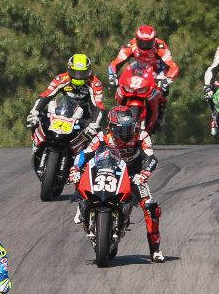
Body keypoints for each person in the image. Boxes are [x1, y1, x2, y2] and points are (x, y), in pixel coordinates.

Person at [68, 106, 165, 262]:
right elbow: (84, 154)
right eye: (123, 129)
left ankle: (155, 251)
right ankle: (81, 206)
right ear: (111, 127)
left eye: (130, 128)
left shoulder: (141, 135)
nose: (127, 133)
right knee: (79, 176)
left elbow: (151, 158)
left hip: (133, 175)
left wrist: (144, 174)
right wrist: (74, 169)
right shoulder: (102, 136)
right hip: (106, 170)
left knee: (151, 207)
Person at [26, 53, 105, 168]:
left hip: (83, 116)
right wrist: (34, 111)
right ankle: (36, 143)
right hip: (61, 110)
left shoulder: (95, 83)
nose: (78, 76)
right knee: (35, 119)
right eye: (75, 72)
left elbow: (98, 106)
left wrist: (94, 124)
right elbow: (45, 96)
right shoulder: (61, 78)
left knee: (97, 135)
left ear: (89, 71)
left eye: (82, 73)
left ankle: (84, 167)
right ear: (69, 69)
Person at [107, 25, 180, 129]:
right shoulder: (131, 45)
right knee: (120, 86)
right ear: (137, 39)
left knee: (163, 90)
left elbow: (173, 67)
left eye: (148, 42)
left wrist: (167, 80)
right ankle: (119, 111)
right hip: (137, 70)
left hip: (157, 70)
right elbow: (116, 62)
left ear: (154, 40)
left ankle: (160, 114)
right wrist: (112, 75)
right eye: (142, 42)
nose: (145, 46)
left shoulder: (160, 47)